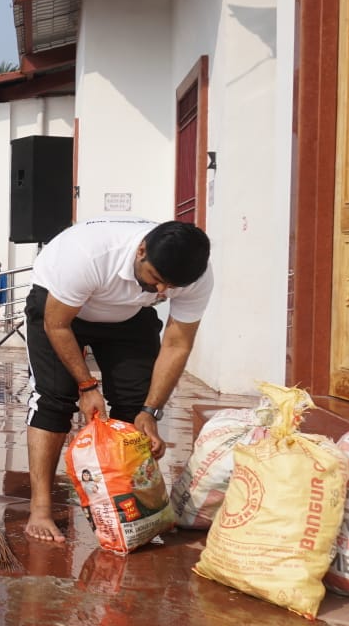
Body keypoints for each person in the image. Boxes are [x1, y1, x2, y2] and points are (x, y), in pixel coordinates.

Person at [22, 217, 212, 543]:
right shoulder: (88, 254)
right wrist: (86, 386)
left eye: (172, 287)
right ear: (141, 251)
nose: (163, 291)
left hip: (127, 316)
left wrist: (150, 412)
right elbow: (56, 325)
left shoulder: (195, 277)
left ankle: (122, 504)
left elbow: (177, 343)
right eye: (157, 279)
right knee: (54, 398)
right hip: (62, 309)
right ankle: (40, 508)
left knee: (136, 402)